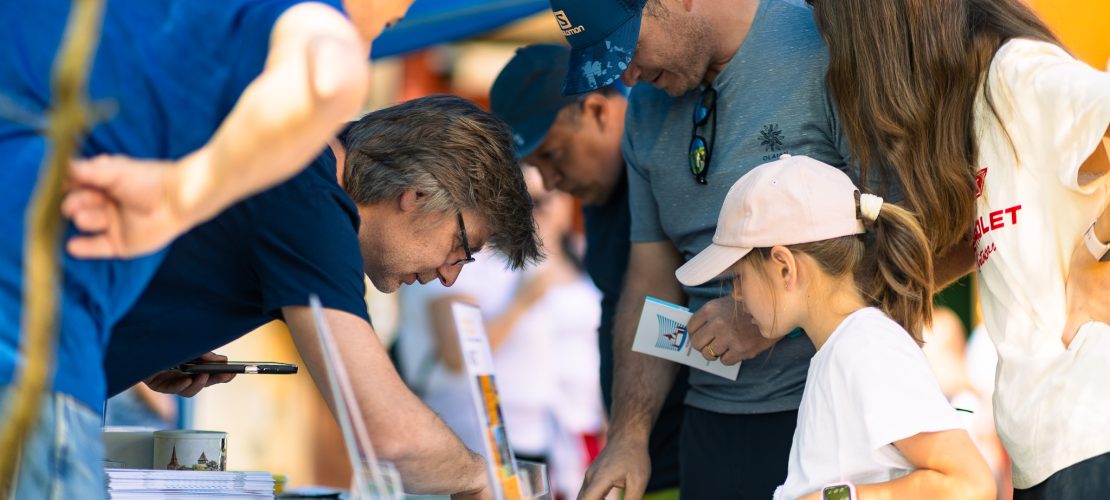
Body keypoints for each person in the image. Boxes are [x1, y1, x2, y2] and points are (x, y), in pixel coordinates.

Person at [0, 0, 409, 495]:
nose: (370, 45)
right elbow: (328, 75)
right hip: (30, 340)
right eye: (390, 21)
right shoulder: (303, 23)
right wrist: (178, 196)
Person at [104, 95, 541, 497]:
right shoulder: (310, 202)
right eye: (461, 248)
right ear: (418, 195)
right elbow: (389, 435)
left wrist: (153, 342)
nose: (449, 276)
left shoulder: (302, 167)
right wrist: (481, 477)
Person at [548, 0, 872, 497]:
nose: (628, 77)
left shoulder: (826, 44)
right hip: (709, 427)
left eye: (628, 48)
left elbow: (909, 232)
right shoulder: (644, 113)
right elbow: (650, 283)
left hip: (835, 413)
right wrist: (629, 436)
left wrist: (769, 318)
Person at [806, 0, 1110, 495]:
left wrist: (1095, 254)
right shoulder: (981, 108)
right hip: (1049, 455)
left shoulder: (1016, 74)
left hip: (1090, 433)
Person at [675, 154, 995, 500]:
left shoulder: (867, 347)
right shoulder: (844, 348)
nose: (736, 295)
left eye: (738, 277)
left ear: (784, 267)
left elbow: (969, 483)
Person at [488, 43, 687, 497]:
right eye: (534, 167)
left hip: (697, 454)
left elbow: (720, 331)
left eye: (554, 155)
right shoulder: (601, 193)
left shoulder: (670, 170)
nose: (550, 181)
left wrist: (647, 330)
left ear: (597, 111)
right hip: (639, 456)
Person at [396, 167, 602, 497]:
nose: (535, 213)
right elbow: (457, 353)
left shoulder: (582, 255)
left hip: (563, 435)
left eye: (545, 199)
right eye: (523, 201)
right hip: (479, 438)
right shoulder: (470, 263)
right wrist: (523, 301)